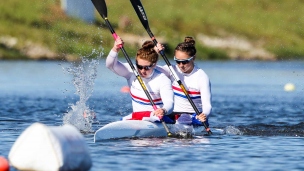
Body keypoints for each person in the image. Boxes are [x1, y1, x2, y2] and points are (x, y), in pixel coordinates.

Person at [106, 36, 174, 123]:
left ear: (154, 64)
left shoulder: (162, 80)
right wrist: (115, 49)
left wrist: (163, 110)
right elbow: (110, 65)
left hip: (156, 119)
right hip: (137, 118)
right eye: (139, 67)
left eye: (147, 67)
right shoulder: (131, 72)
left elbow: (170, 103)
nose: (142, 71)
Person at [156, 36, 212, 126]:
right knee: (154, 115)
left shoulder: (201, 77)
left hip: (194, 116)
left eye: (185, 62)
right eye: (177, 61)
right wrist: (156, 53)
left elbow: (207, 105)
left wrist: (204, 115)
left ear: (193, 58)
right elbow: (150, 68)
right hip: (172, 114)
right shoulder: (172, 70)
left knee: (184, 118)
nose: (181, 65)